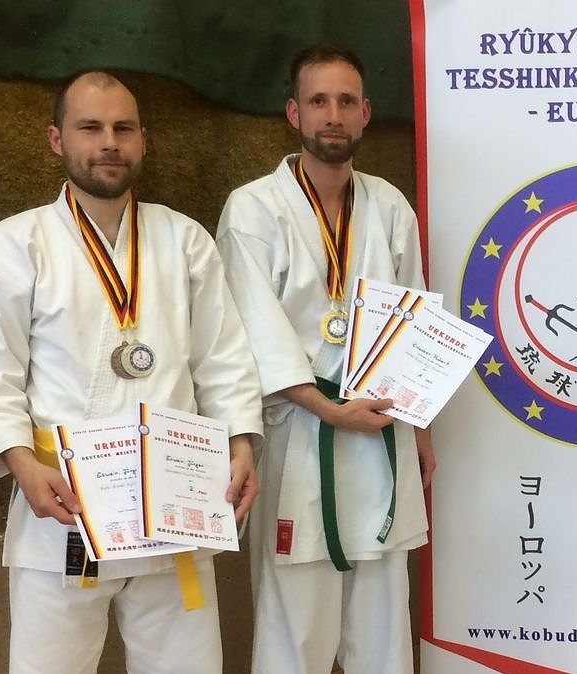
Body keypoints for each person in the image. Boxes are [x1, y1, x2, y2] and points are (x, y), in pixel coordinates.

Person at [0, 71, 263, 674]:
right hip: (65, 506)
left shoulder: (186, 240)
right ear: (56, 139)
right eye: (90, 128)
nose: (109, 143)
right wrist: (23, 466)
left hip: (175, 507)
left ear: (143, 139)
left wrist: (242, 443)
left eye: (124, 128)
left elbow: (223, 358)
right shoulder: (15, 244)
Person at [215, 45, 435, 674]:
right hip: (299, 431)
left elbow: (414, 323)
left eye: (345, 101)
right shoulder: (253, 208)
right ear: (294, 113)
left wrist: (420, 429)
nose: (332, 115)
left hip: (382, 428)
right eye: (318, 101)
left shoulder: (389, 205)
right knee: (296, 624)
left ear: (365, 113)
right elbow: (252, 331)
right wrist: (330, 409)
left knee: (384, 621)